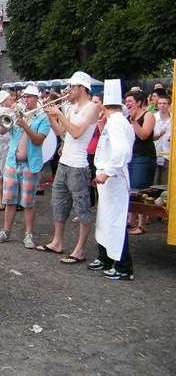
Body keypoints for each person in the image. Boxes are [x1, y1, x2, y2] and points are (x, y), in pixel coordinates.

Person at [38, 72, 99, 263]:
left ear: (82, 87)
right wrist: (51, 117)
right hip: (65, 163)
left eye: (72, 87)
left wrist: (58, 114)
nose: (69, 90)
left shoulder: (91, 108)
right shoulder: (72, 108)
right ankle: (57, 242)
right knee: (58, 203)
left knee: (82, 208)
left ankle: (80, 250)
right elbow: (61, 132)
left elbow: (78, 132)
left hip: (79, 165)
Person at [0, 85, 51, 249]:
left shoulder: (42, 118)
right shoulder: (17, 114)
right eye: (24, 97)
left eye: (29, 97)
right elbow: (2, 131)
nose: (25, 100)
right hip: (12, 163)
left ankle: (28, 234)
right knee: (9, 200)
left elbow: (38, 140)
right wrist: (10, 116)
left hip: (30, 165)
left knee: (28, 202)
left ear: (37, 98)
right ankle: (6, 231)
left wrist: (25, 126)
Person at [89, 79, 135, 280]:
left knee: (115, 220)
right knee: (105, 218)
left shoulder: (116, 122)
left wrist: (107, 172)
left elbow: (121, 151)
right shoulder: (114, 121)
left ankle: (124, 266)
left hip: (113, 178)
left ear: (104, 105)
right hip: (108, 178)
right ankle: (106, 256)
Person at [125, 90, 157, 235]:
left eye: (130, 101)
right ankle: (131, 220)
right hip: (131, 156)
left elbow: (144, 135)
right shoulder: (127, 117)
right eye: (126, 101)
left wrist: (133, 121)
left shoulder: (148, 115)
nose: (127, 103)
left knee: (140, 189)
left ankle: (142, 224)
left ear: (139, 102)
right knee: (130, 189)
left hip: (144, 157)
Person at [153, 94, 171, 186]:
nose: (161, 105)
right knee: (154, 182)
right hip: (155, 152)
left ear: (169, 105)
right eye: (160, 103)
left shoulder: (174, 119)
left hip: (168, 155)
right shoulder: (152, 117)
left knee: (165, 184)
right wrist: (159, 135)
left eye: (164, 103)